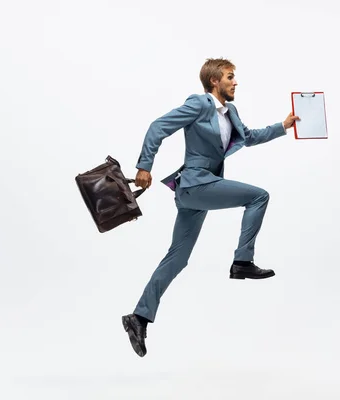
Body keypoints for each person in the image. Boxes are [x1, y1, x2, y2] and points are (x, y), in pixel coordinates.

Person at [122, 58, 300, 357]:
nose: (235, 82)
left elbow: (250, 137)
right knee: (258, 196)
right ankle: (242, 262)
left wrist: (283, 126)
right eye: (230, 77)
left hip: (199, 191)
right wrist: (144, 166)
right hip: (195, 184)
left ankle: (138, 317)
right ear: (214, 81)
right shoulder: (199, 104)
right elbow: (158, 127)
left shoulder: (229, 112)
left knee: (177, 259)